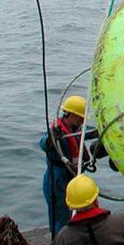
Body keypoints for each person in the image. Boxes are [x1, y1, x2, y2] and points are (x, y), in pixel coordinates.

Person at [40, 95, 91, 235]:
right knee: (60, 218)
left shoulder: (75, 129)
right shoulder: (57, 130)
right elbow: (43, 144)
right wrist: (51, 138)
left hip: (72, 178)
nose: (83, 120)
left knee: (74, 215)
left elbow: (87, 133)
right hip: (56, 180)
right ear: (71, 114)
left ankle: (71, 241)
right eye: (80, 116)